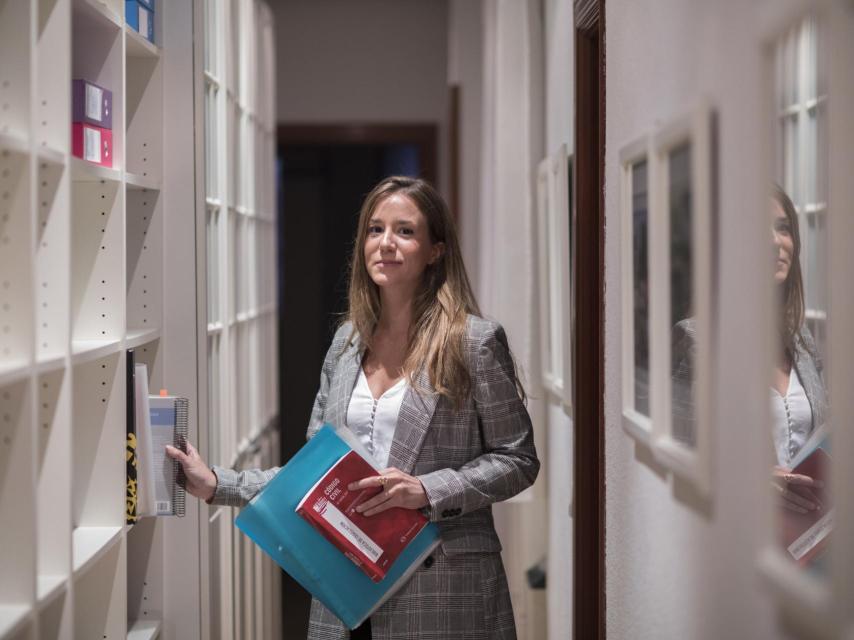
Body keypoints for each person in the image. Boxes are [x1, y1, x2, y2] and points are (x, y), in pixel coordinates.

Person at [167, 175, 540, 640]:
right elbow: (314, 475)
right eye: (375, 229)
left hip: (443, 589)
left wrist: (426, 489)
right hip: (345, 584)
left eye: (405, 231)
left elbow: (519, 461)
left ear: (436, 250)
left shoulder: (473, 341)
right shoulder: (347, 342)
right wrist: (218, 483)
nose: (386, 243)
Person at [767, 185, 828, 514]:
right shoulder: (696, 338)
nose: (775, 241)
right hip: (742, 535)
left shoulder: (801, 339)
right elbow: (681, 457)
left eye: (783, 228)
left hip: (809, 537)